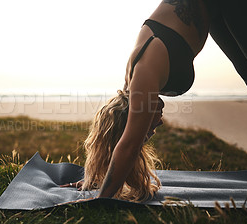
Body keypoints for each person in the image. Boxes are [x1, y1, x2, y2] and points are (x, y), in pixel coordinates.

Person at [61, 0, 211, 201]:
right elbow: (119, 146)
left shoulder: (142, 79)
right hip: (215, 11)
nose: (160, 122)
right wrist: (96, 179)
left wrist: (101, 200)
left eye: (148, 130)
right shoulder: (131, 89)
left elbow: (129, 145)